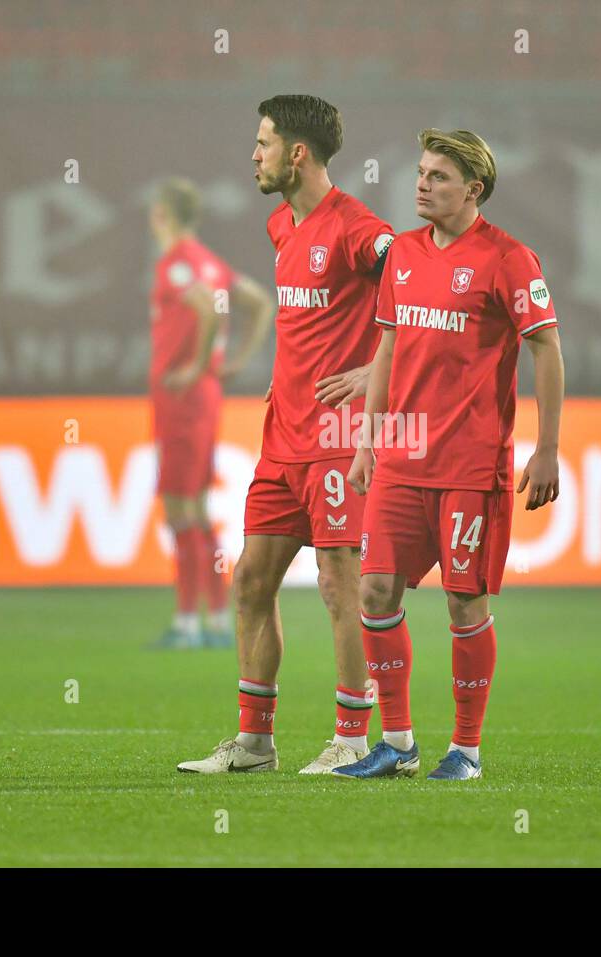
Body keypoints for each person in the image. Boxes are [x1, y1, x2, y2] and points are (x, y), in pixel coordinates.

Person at [334, 129, 565, 780]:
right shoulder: (402, 255)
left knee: (465, 602)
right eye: (421, 172)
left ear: (475, 189)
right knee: (375, 590)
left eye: (438, 175)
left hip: (471, 463)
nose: (421, 184)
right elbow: (386, 349)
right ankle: (399, 741)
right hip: (403, 457)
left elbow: (546, 349)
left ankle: (465, 749)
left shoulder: (510, 259)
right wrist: (367, 441)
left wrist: (547, 449)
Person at [177, 95, 395, 773]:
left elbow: (419, 283)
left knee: (339, 583)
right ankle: (254, 742)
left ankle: (353, 738)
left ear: (297, 153)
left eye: (264, 142)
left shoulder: (359, 229)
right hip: (282, 439)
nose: (254, 154)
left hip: (337, 438)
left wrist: (371, 373)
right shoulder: (282, 227)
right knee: (249, 579)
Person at [148, 178, 272, 650]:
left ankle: (187, 622)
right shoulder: (211, 262)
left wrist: (197, 365)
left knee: (181, 509)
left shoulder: (179, 264)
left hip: (182, 399)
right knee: (194, 507)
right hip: (201, 396)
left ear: (161, 213)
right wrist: (233, 361)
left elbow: (204, 308)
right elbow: (260, 302)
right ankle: (217, 617)